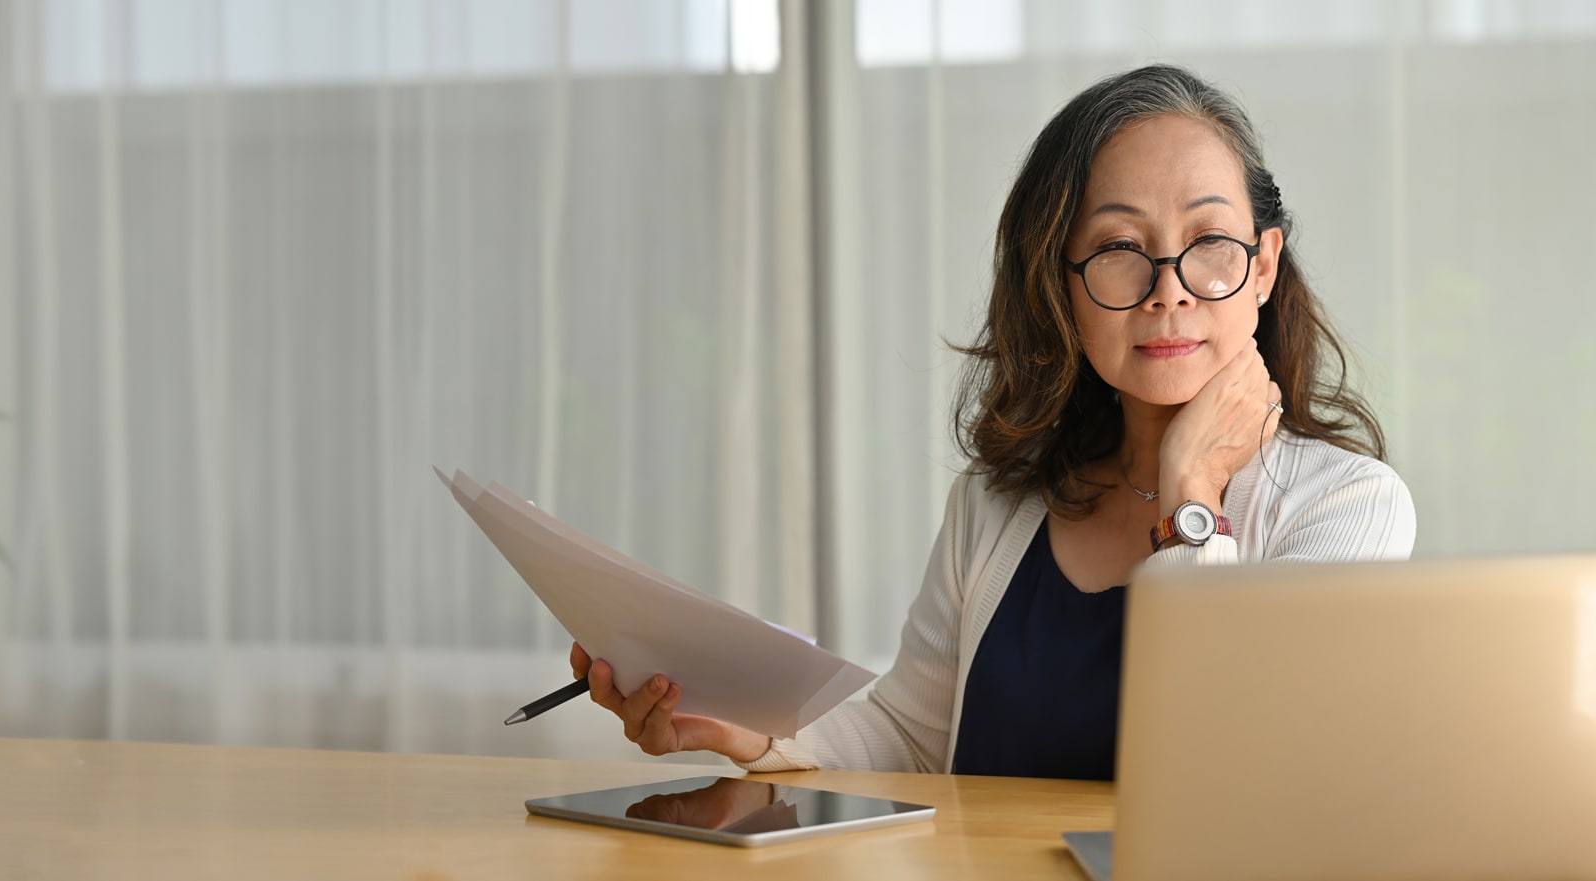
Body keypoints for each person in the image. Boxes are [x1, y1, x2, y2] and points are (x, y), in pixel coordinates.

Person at [571, 64, 1415, 778]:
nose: (1170, 288)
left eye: (1210, 242)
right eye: (1121, 248)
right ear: (1063, 284)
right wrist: (751, 732)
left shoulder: (1348, 509)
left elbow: (1236, 773)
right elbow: (910, 738)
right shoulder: (998, 502)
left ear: (1263, 269)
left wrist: (1192, 495)